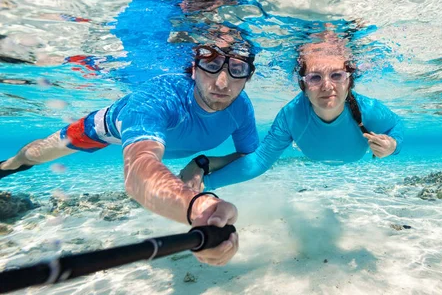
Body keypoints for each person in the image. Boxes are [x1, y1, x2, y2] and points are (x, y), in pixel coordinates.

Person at [0, 42, 260, 266]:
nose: (222, 82)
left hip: (173, 148)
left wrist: (202, 163)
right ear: (194, 68)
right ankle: (8, 165)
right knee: (34, 154)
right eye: (211, 64)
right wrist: (195, 207)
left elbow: (249, 158)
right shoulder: (159, 95)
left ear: (247, 76)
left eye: (237, 69)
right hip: (106, 129)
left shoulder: (242, 109)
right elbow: (138, 168)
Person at [180, 35, 404, 191]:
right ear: (303, 86)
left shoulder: (369, 110)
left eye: (336, 75)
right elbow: (259, 160)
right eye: (315, 78)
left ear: (349, 81)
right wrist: (204, 185)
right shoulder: (291, 115)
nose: (327, 86)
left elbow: (398, 126)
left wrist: (393, 146)